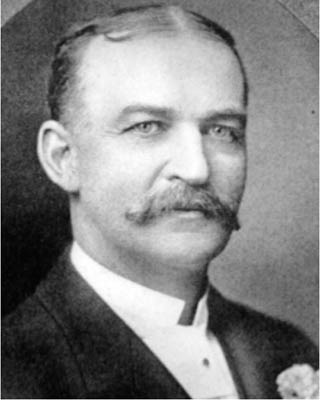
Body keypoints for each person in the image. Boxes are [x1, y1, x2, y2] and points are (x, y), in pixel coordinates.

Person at [2, 4, 318, 399]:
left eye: (222, 130)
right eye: (147, 126)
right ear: (63, 158)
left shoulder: (284, 349)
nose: (197, 168)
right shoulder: (14, 373)